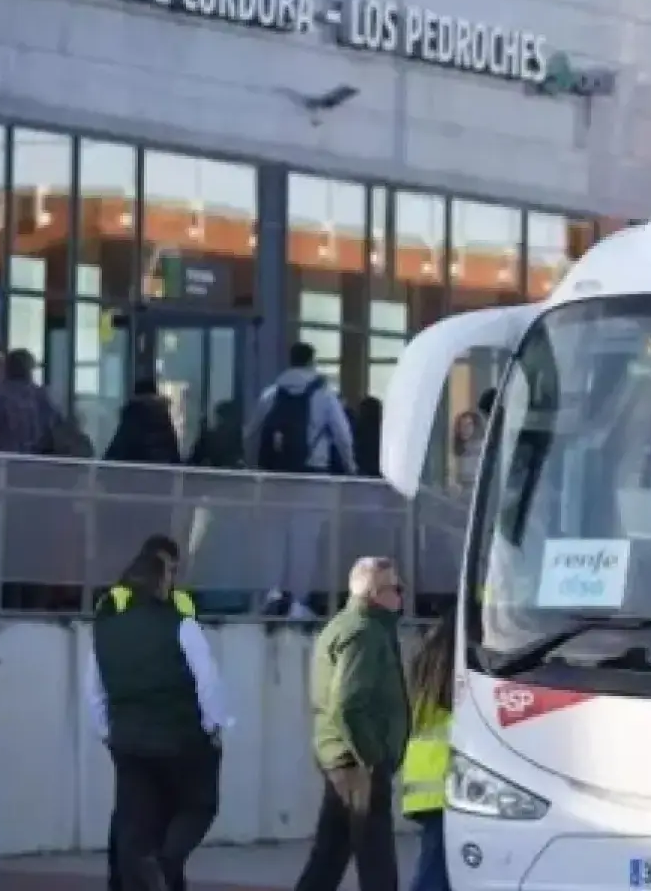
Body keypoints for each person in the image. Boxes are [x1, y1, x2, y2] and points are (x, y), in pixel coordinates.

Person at [87, 548, 227, 891]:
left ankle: (148, 875)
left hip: (128, 742)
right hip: (181, 739)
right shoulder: (180, 624)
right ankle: (169, 859)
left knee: (135, 828)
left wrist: (107, 731)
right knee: (199, 805)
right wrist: (214, 725)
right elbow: (207, 678)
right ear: (160, 582)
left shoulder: (105, 629)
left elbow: (94, 689)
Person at [294, 557, 411, 891]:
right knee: (376, 858)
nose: (401, 596)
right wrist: (373, 757)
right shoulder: (364, 632)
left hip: (342, 757)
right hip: (358, 762)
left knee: (330, 855)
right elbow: (348, 703)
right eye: (396, 588)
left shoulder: (347, 625)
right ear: (375, 593)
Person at [101, 536, 198, 891]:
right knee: (134, 817)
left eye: (175, 569)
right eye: (168, 569)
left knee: (153, 814)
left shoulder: (182, 603)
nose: (171, 576)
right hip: (138, 723)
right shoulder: (116, 601)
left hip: (162, 725)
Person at [401, 611, 457, 891]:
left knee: (436, 865)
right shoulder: (453, 674)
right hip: (445, 782)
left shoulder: (426, 665)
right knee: (435, 873)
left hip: (424, 784)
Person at [244, 342, 357, 475]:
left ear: (290, 361)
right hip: (314, 469)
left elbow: (251, 433)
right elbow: (342, 434)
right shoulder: (325, 395)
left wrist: (251, 464)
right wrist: (350, 466)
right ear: (311, 362)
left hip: (278, 470)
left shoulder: (270, 394)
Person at [104, 377, 182, 464]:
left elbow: (115, 453)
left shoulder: (134, 415)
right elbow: (174, 456)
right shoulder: (164, 418)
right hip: (164, 474)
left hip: (136, 474)